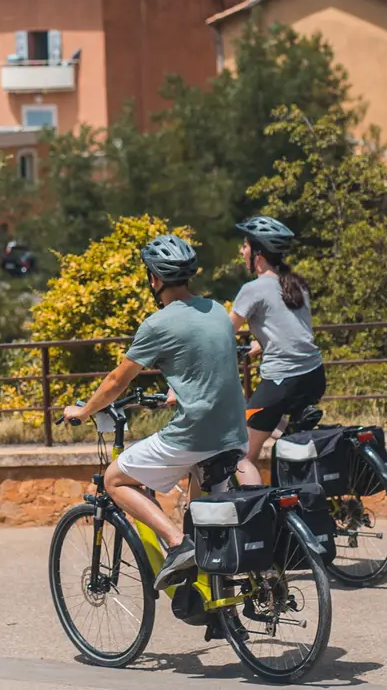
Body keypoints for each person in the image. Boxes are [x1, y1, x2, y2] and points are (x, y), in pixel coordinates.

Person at [62, 235, 253, 589]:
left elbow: (118, 379)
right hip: (234, 433)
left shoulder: (157, 324)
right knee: (205, 521)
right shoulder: (215, 311)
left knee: (114, 479)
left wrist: (85, 410)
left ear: (154, 279)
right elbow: (211, 364)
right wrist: (176, 389)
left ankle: (176, 544)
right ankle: (216, 600)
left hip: (196, 434)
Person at [231, 216, 326, 470]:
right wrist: (262, 345)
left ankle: (252, 507)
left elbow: (223, 333)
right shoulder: (296, 284)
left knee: (241, 457)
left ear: (257, 254)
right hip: (314, 376)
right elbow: (295, 331)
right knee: (284, 436)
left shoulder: (253, 289)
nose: (242, 251)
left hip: (282, 381)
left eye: (245, 246)